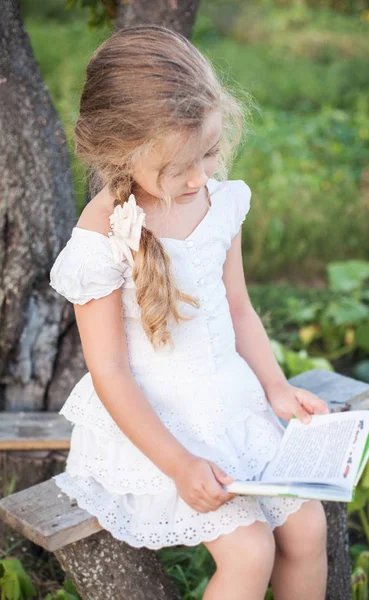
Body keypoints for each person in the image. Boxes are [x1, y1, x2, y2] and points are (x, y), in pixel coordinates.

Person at [49, 24, 329, 600]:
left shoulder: (217, 199)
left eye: (209, 152)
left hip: (232, 403)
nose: (201, 176)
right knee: (249, 550)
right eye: (182, 165)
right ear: (122, 149)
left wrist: (275, 388)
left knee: (307, 525)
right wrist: (178, 464)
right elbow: (110, 374)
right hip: (156, 427)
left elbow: (239, 308)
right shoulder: (103, 237)